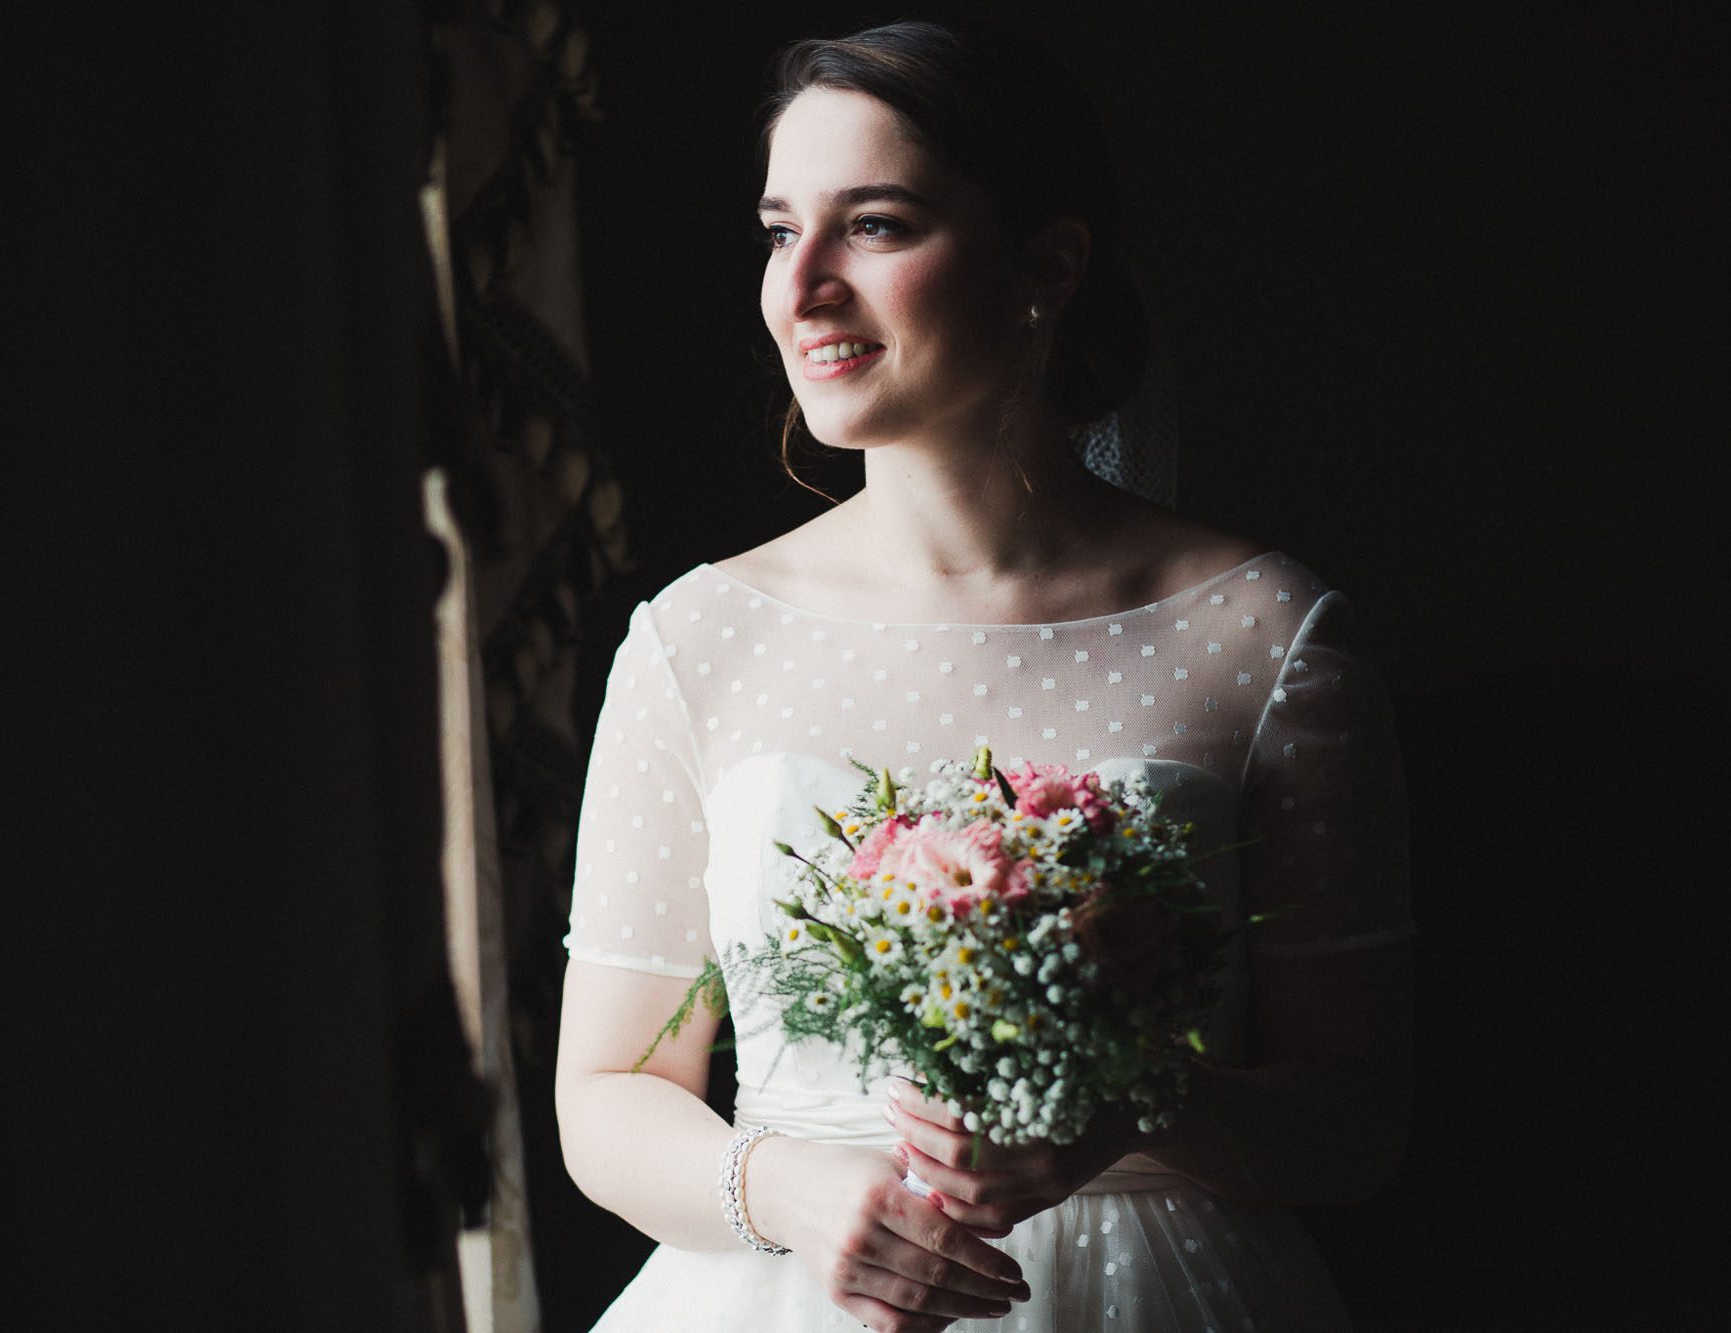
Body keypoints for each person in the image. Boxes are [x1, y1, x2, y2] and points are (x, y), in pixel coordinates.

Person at [555, 20, 1413, 1332]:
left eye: (877, 225)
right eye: (783, 232)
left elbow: (1354, 1126)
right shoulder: (697, 641)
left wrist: (1136, 1101)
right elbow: (605, 1094)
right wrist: (786, 1190)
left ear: (1047, 264)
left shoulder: (1264, 640)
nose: (805, 287)